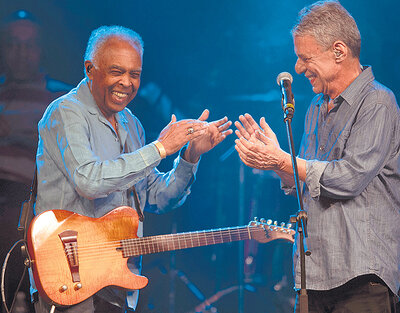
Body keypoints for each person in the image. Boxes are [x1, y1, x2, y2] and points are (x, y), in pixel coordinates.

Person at [30, 25, 232, 313]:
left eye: (134, 74)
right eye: (116, 71)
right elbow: (89, 180)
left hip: (117, 283)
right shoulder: (66, 112)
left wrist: (190, 156)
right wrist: (160, 148)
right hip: (69, 275)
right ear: (90, 69)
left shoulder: (131, 123)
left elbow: (157, 198)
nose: (127, 82)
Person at [234, 1, 400, 312]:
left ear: (338, 51)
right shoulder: (315, 107)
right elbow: (308, 186)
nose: (298, 68)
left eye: (305, 58)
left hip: (360, 276)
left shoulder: (378, 102)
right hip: (313, 275)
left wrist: (282, 160)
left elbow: (349, 179)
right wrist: (276, 163)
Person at [0, 11, 70, 313]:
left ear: (40, 50)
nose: (21, 53)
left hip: (31, 201)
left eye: (28, 46)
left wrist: (17, 127)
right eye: (14, 45)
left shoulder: (59, 96)